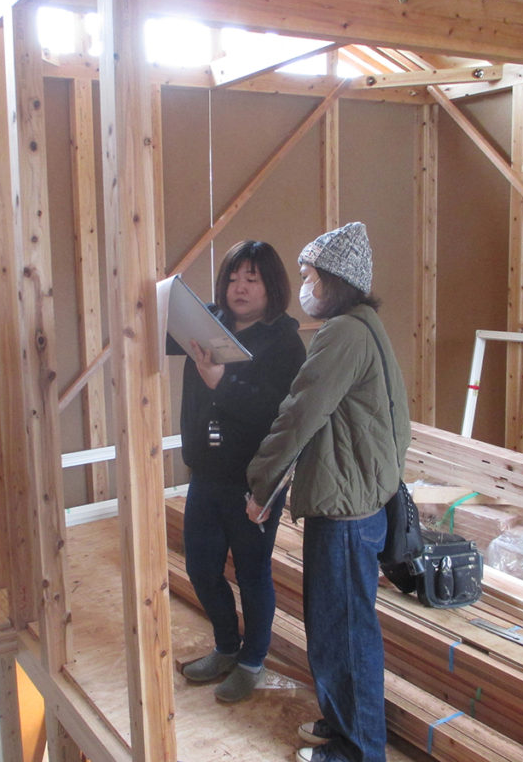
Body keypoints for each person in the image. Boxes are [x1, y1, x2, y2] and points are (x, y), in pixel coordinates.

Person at [245, 222, 409, 762]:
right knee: (341, 626)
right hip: (361, 503)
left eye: (309, 275)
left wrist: (261, 483)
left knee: (344, 633)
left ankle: (357, 749)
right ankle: (344, 722)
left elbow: (299, 415)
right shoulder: (367, 327)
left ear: (335, 279)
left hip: (344, 516)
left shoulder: (342, 335)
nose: (305, 286)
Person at [171, 240, 306, 702]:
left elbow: (278, 412)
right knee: (201, 566)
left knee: (252, 572)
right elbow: (154, 329)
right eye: (232, 278)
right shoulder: (209, 325)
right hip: (206, 472)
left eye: (252, 278)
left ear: (271, 286)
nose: (239, 288)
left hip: (255, 480)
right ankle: (227, 647)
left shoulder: (285, 342)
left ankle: (252, 662)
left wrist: (221, 382)